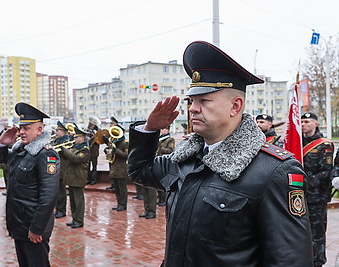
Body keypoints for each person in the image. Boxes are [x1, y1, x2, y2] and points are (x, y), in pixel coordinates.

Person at [128, 41, 313, 266]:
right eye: (192, 101)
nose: (192, 109)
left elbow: (290, 260)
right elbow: (139, 170)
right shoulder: (185, 159)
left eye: (204, 100)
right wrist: (149, 130)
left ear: (235, 106)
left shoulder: (273, 171)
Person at [0, 102, 60, 267]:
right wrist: (2, 143)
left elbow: (48, 195)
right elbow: (3, 159)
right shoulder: (20, 150)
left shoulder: (46, 154)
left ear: (39, 130)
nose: (21, 132)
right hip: (19, 224)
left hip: (33, 227)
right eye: (20, 128)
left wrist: (37, 228)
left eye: (27, 128)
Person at [301, 112, 334, 267]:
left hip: (316, 196)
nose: (303, 124)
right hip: (298, 195)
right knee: (301, 231)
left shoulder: (324, 145)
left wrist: (305, 181)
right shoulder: (296, 142)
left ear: (315, 123)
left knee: (317, 232)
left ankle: (318, 261)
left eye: (307, 121)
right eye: (301, 121)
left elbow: (326, 171)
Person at [62, 125, 90, 228]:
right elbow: (67, 158)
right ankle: (74, 219)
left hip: (79, 177)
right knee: (73, 201)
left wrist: (65, 150)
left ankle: (79, 220)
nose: (74, 139)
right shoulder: (74, 147)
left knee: (79, 201)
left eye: (76, 137)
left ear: (82, 137)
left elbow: (76, 158)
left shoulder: (85, 149)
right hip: (72, 177)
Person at [105, 120, 128, 211]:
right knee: (117, 188)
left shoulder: (124, 143)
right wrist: (107, 151)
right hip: (114, 168)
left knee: (122, 188)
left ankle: (123, 204)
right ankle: (119, 203)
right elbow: (110, 154)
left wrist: (115, 150)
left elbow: (126, 156)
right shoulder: (115, 142)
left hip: (121, 168)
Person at [51, 121, 70, 219]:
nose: (56, 132)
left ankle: (61, 210)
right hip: (54, 168)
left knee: (61, 192)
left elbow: (66, 155)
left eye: (58, 130)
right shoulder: (56, 140)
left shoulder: (66, 141)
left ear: (63, 132)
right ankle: (57, 208)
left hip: (62, 169)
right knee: (55, 191)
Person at [156, 126, 175, 206]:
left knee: (164, 183)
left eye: (163, 129)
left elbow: (170, 150)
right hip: (158, 161)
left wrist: (161, 147)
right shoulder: (159, 139)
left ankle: (164, 200)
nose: (161, 130)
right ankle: (160, 198)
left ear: (167, 130)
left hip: (165, 162)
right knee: (158, 181)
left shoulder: (170, 139)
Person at [105, 116, 119, 191]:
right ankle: (112, 184)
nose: (110, 125)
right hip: (110, 153)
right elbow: (110, 143)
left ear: (115, 124)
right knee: (111, 169)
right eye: (110, 123)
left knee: (114, 170)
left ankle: (115, 185)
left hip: (116, 154)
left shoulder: (117, 131)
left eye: (112, 123)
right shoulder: (110, 132)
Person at [86, 116, 101, 185]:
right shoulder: (87, 131)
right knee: (87, 166)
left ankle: (94, 179)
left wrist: (94, 136)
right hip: (88, 152)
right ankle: (88, 179)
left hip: (94, 152)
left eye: (91, 124)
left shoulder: (98, 132)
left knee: (94, 166)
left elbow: (99, 141)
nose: (90, 124)